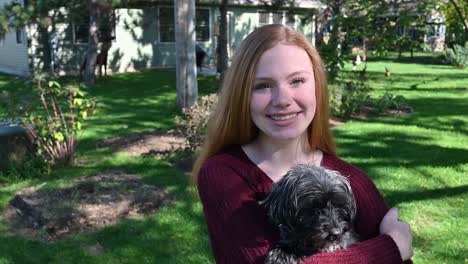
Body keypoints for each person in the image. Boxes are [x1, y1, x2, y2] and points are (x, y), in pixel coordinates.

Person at [193, 24, 413, 264]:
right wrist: (392, 248)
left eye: (297, 81)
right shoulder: (223, 175)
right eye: (263, 85)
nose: (282, 100)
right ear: (242, 94)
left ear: (317, 86)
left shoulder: (354, 181)